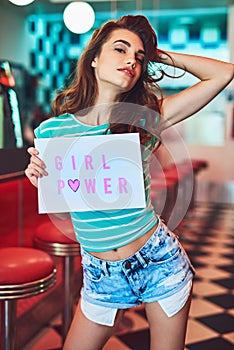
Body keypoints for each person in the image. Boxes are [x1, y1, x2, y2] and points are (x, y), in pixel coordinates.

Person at [25, 15, 233, 350]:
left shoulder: (143, 120)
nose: (130, 61)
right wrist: (38, 173)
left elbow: (223, 73)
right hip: (99, 274)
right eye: (120, 49)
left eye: (138, 57)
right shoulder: (53, 131)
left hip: (158, 262)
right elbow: (60, 189)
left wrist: (159, 54)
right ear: (93, 58)